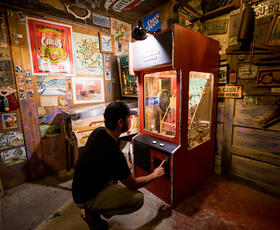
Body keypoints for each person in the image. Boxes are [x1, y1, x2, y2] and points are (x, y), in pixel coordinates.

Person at [72, 101, 166, 230]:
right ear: (120, 123)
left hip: (79, 188)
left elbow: (106, 155)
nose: (130, 120)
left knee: (119, 174)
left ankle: (95, 206)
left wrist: (123, 161)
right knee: (137, 199)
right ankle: (91, 212)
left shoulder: (99, 132)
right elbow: (133, 184)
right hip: (85, 196)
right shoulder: (114, 154)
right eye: (128, 118)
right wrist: (154, 175)